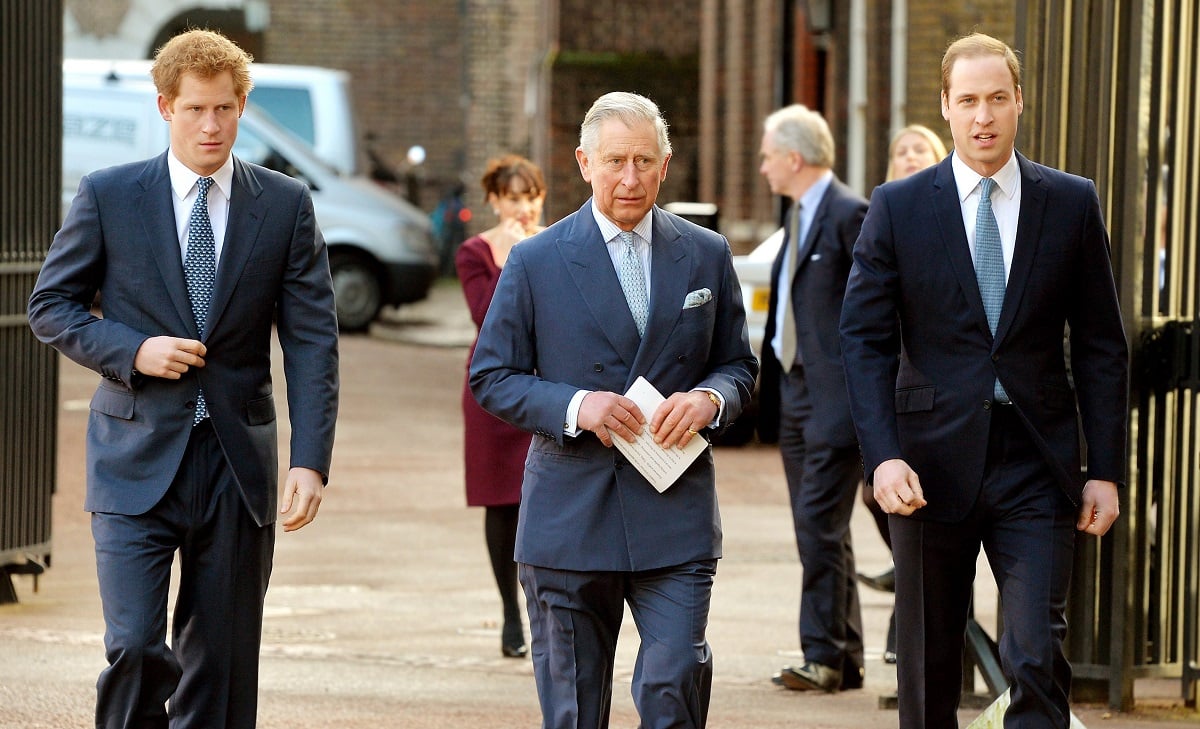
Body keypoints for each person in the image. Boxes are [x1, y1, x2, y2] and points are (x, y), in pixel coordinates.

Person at [28, 29, 339, 729]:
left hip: (237, 462)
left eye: (226, 109)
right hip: (133, 455)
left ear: (242, 106)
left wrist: (311, 459)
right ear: (165, 106)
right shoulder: (110, 195)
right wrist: (132, 350)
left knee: (223, 666)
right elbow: (49, 306)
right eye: (196, 109)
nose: (212, 125)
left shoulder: (285, 205)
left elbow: (313, 340)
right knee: (136, 644)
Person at [840, 32, 1128, 728]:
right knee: (930, 664)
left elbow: (1100, 346)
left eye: (998, 98)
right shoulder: (898, 206)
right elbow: (863, 340)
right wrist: (882, 457)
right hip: (927, 465)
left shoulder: (1070, 202)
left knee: (1034, 655)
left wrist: (1106, 468)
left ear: (1020, 101)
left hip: (1038, 461)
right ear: (945, 107)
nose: (983, 116)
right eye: (968, 100)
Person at [469, 91, 757, 728]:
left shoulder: (707, 253)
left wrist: (711, 398)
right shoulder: (535, 260)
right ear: (584, 162)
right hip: (569, 516)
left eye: (645, 162)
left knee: (674, 680)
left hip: (674, 510)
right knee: (573, 708)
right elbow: (490, 375)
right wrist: (576, 404)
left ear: (665, 163)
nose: (631, 179)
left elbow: (739, 365)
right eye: (616, 161)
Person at [755, 104, 869, 693]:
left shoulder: (852, 215)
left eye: (769, 154)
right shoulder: (799, 214)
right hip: (795, 393)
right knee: (819, 526)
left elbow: (877, 316)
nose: (763, 165)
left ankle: (823, 655)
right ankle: (842, 655)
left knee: (818, 525)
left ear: (794, 158)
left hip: (834, 399)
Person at [855, 123, 950, 664]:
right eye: (900, 150)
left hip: (948, 399)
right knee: (886, 500)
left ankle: (911, 633)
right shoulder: (885, 213)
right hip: (895, 390)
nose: (910, 156)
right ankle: (909, 624)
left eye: (920, 148)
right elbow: (864, 325)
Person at [456, 154, 547, 659]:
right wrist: (512, 255)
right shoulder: (476, 251)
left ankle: (544, 609)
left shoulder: (557, 244)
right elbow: (483, 314)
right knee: (501, 503)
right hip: (493, 392)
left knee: (547, 499)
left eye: (530, 196)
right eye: (513, 197)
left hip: (547, 386)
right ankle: (510, 614)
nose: (523, 207)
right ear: (494, 200)